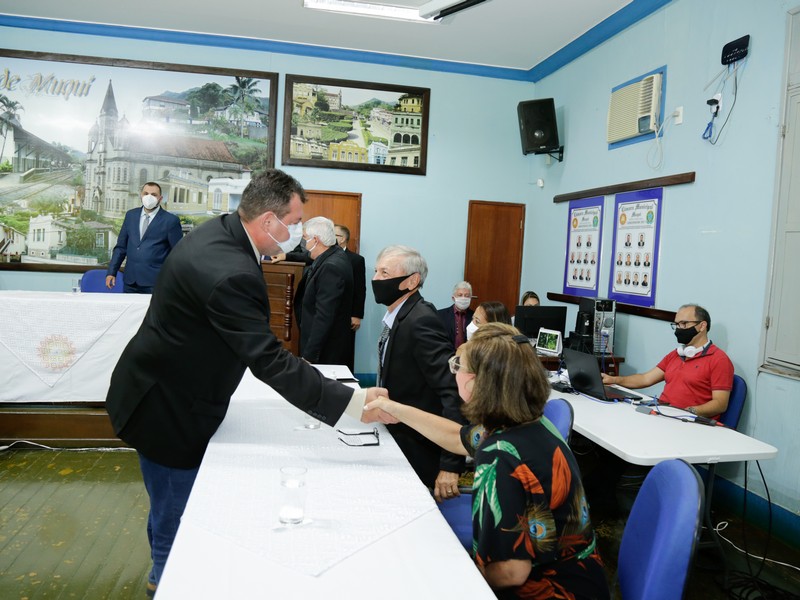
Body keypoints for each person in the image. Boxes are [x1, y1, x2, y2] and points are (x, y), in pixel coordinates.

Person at [105, 169, 394, 595]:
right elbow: (269, 360)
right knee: (175, 513)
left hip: (165, 386)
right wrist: (352, 403)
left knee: (166, 503)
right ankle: (165, 584)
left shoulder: (223, 231)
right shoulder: (230, 271)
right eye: (294, 222)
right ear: (268, 221)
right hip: (167, 409)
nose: (297, 233)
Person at [365, 323, 609, 599]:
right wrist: (393, 409)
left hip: (552, 591)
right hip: (584, 578)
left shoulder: (499, 456)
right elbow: (457, 437)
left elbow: (511, 572)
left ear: (475, 382)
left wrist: (457, 576)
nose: (454, 371)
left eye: (458, 365)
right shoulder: (527, 423)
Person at [373, 245, 466, 500]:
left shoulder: (421, 320)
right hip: (399, 434)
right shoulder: (400, 316)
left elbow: (452, 390)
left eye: (384, 273)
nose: (376, 279)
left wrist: (450, 464)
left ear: (412, 281)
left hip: (419, 446)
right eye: (376, 271)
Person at [602, 304, 733, 417]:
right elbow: (645, 379)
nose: (678, 329)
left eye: (684, 324)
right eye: (676, 324)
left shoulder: (719, 360)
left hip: (688, 421)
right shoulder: (676, 354)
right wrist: (614, 380)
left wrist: (690, 411)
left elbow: (720, 404)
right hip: (663, 414)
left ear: (702, 326)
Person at [293, 217, 354, 364]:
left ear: (315, 240)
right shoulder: (332, 254)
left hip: (324, 349)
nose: (304, 243)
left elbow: (324, 315)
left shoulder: (331, 267)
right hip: (324, 344)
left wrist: (309, 355)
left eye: (305, 238)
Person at [106, 182, 183, 293]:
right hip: (130, 281)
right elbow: (121, 247)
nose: (149, 197)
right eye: (146, 193)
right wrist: (111, 272)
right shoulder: (130, 216)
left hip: (156, 282)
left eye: (154, 194)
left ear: (160, 198)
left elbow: (178, 254)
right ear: (141, 195)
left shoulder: (171, 221)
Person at [335, 224, 367, 371]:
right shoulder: (323, 256)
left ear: (342, 239)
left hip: (347, 314)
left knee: (344, 351)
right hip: (327, 312)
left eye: (334, 234)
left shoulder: (356, 260)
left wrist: (357, 315)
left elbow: (360, 289)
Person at [437, 281, 474, 351]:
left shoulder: (474, 317)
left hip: (467, 354)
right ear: (453, 298)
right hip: (446, 354)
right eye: (460, 295)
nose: (463, 298)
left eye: (467, 296)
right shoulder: (440, 315)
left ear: (471, 298)